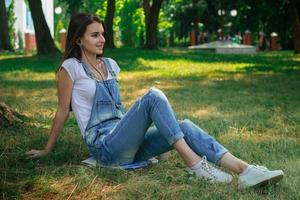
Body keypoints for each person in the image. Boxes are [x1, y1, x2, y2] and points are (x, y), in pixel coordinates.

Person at [26, 13, 284, 189]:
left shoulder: (111, 65)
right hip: (105, 147)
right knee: (153, 96)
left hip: (124, 140)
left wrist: (155, 139)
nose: (102, 39)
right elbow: (62, 111)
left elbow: (120, 112)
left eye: (102, 34)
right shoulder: (70, 68)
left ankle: (245, 171)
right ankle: (194, 164)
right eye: (94, 35)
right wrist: (47, 149)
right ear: (79, 39)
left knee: (184, 125)